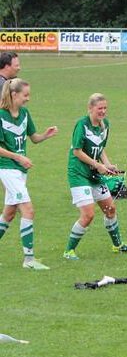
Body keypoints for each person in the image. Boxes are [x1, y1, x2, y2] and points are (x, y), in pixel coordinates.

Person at [63, 93, 127, 259]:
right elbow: (77, 151)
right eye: (99, 108)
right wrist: (98, 165)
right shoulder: (82, 124)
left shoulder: (105, 125)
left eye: (105, 108)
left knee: (110, 209)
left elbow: (100, 147)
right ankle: (69, 251)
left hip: (94, 174)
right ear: (90, 108)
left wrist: (107, 164)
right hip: (79, 174)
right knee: (88, 215)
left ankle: (118, 246)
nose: (103, 111)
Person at [0, 79, 58, 270]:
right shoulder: (1, 115)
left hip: (20, 169)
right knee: (28, 210)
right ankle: (29, 260)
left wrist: (45, 136)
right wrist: (17, 157)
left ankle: (29, 260)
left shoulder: (24, 114)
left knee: (8, 214)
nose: (28, 99)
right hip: (7, 168)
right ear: (13, 94)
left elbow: (33, 138)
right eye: (25, 95)